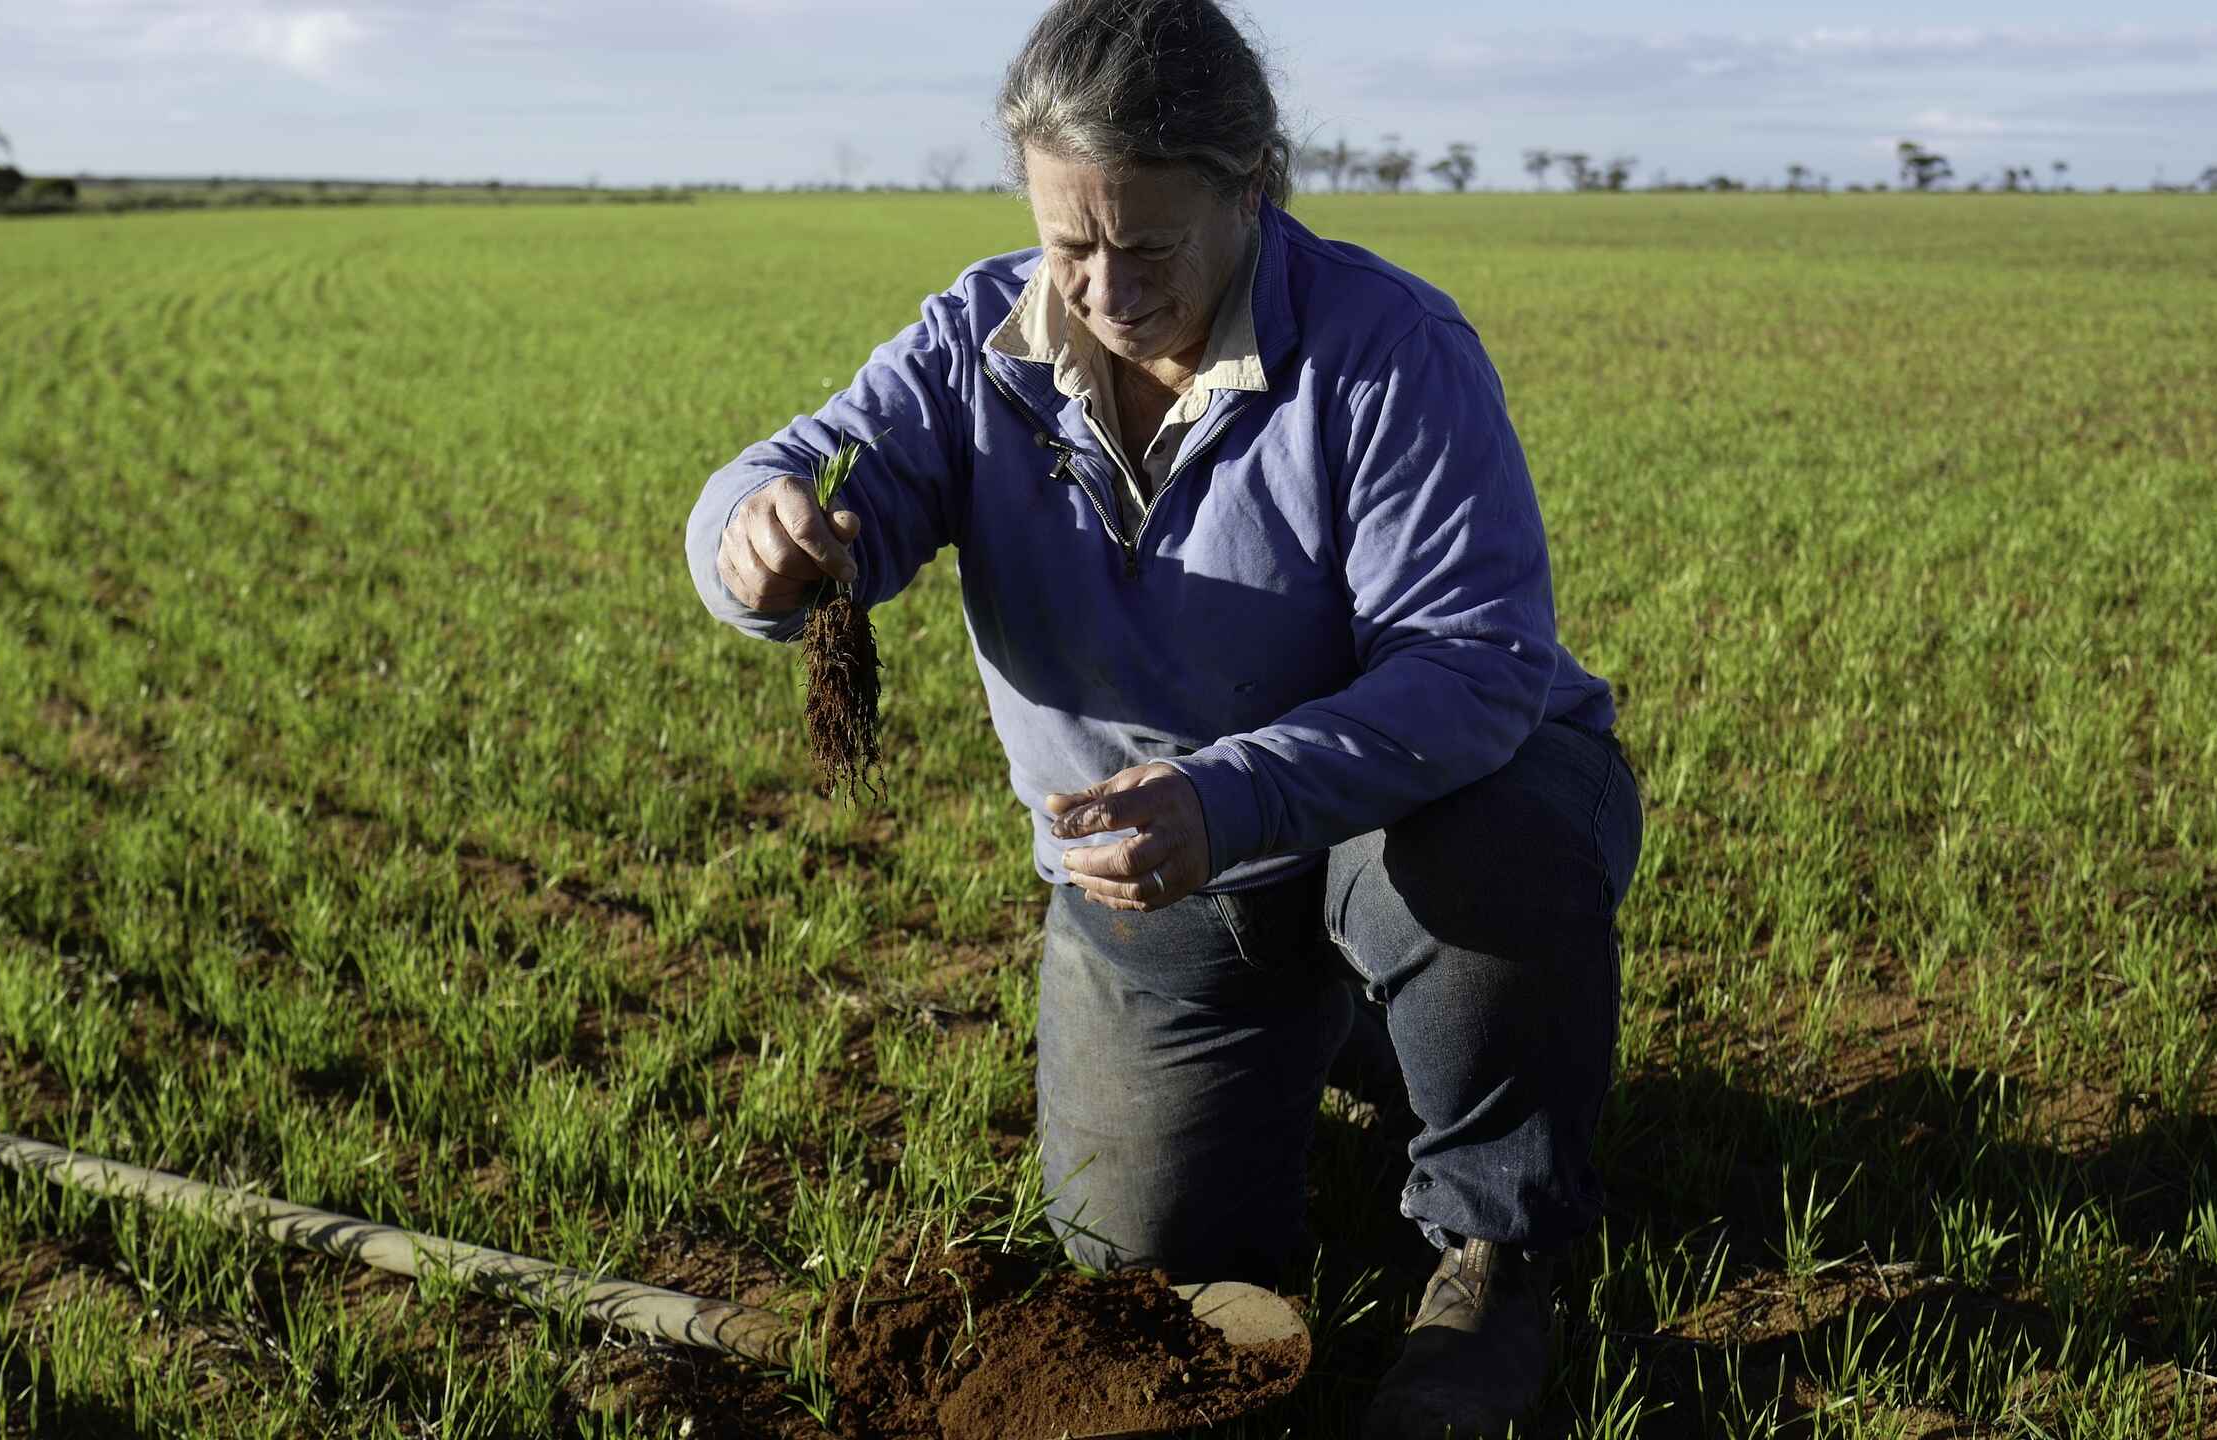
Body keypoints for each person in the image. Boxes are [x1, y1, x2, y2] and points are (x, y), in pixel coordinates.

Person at [684, 1, 1641, 1433]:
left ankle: (1495, 1246)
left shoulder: (1387, 353)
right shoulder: (978, 344)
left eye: (1147, 247)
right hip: (1160, 888)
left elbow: (1475, 662)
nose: (1105, 291)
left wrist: (1230, 798)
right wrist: (750, 538)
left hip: (1414, 813)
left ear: (1251, 186)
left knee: (1486, 857)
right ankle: (1358, 1041)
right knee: (1141, 1271)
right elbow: (817, 475)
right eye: (1071, 245)